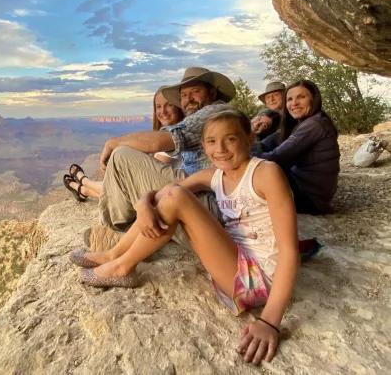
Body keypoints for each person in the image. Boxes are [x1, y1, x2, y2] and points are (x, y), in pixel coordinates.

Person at [70, 109, 299, 365]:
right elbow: (166, 192)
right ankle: (114, 255)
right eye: (211, 141)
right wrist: (144, 203)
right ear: (203, 145)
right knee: (171, 196)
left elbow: (289, 251)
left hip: (257, 282)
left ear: (249, 138)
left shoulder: (266, 173)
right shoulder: (215, 175)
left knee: (176, 198)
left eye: (230, 139)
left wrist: (269, 321)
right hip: (234, 263)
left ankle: (122, 266)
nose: (220, 148)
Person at [98, 67, 235, 234]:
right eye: (184, 95)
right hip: (206, 194)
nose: (188, 99)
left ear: (212, 94)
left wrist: (113, 142)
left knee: (121, 156)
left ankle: (117, 230)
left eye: (195, 91)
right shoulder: (218, 112)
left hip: (212, 203)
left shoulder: (213, 112)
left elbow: (162, 141)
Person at [63, 86, 184, 201]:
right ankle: (84, 190)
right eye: (158, 106)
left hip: (160, 195)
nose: (163, 111)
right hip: (158, 191)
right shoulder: (167, 133)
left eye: (169, 105)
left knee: (121, 184)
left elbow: (153, 176)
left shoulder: (177, 136)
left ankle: (84, 182)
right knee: (121, 182)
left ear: (179, 106)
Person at [255, 80, 340, 214]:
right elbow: (268, 143)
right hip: (309, 190)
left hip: (312, 199)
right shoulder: (300, 122)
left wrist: (242, 151)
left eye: (301, 97)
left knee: (261, 170)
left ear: (314, 99)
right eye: (289, 99)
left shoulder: (314, 124)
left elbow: (275, 158)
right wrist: (252, 138)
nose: (294, 103)